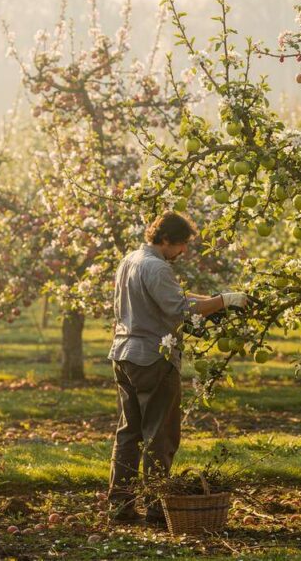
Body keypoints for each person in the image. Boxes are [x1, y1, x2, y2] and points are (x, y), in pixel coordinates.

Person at [106, 211, 246, 526]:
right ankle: (157, 506)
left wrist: (217, 300)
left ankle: (120, 504)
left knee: (129, 432)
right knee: (161, 434)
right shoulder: (157, 267)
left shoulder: (130, 260)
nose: (183, 251)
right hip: (153, 358)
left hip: (124, 354)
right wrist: (223, 301)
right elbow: (182, 309)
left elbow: (175, 298)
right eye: (181, 244)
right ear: (166, 239)